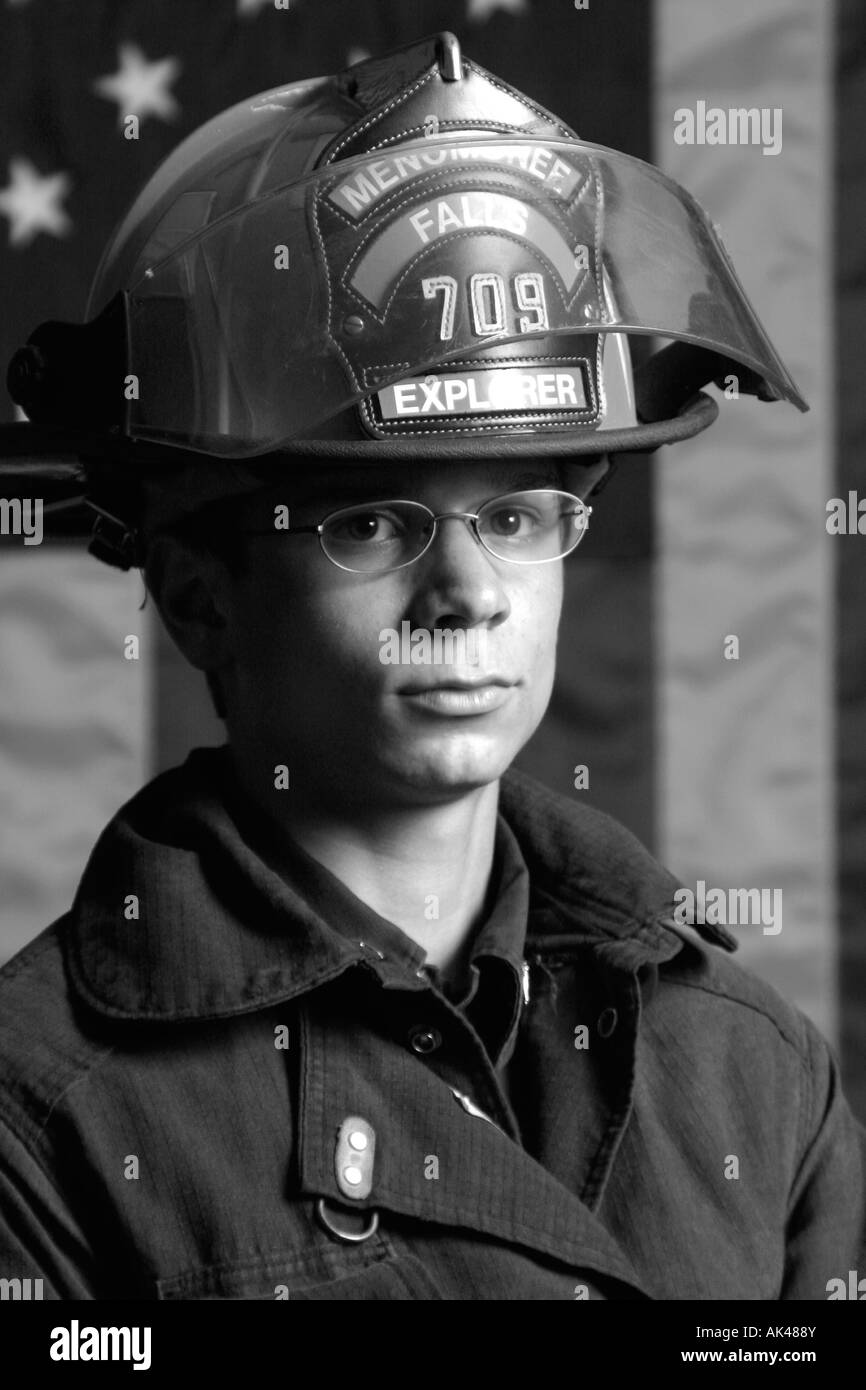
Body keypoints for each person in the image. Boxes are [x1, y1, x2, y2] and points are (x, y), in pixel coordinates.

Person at [0, 31, 862, 1302]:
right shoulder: (40, 1113)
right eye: (371, 525)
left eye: (515, 516)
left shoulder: (750, 1063)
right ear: (199, 595)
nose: (465, 595)